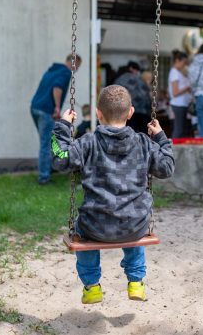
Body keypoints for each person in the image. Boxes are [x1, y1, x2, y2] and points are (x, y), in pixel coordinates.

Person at [52, 85, 175, 305]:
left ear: (98, 113)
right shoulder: (144, 143)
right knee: (135, 222)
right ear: (130, 113)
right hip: (134, 225)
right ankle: (136, 281)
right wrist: (161, 138)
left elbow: (60, 159)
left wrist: (62, 127)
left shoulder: (87, 143)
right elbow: (167, 168)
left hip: (95, 226)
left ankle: (91, 286)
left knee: (82, 231)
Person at [30, 54, 81, 185]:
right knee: (47, 143)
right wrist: (57, 107)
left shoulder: (52, 70)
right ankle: (44, 178)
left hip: (36, 107)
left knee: (50, 141)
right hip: (46, 110)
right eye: (78, 66)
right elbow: (57, 88)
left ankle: (50, 169)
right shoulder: (65, 72)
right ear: (72, 62)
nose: (77, 70)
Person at [114, 61, 151, 134]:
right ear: (132, 69)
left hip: (127, 111)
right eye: (137, 70)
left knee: (129, 133)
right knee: (144, 135)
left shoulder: (119, 80)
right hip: (143, 112)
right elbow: (146, 96)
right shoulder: (140, 80)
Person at [168, 50, 193, 138]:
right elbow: (175, 92)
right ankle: (173, 148)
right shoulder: (174, 73)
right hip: (178, 104)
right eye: (184, 62)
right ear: (177, 61)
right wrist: (187, 88)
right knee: (178, 130)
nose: (185, 65)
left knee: (182, 129)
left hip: (182, 103)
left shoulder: (178, 73)